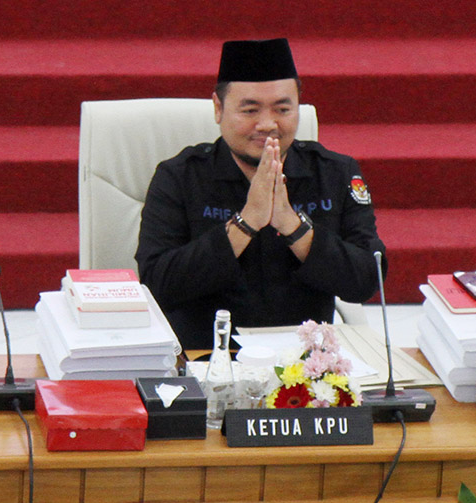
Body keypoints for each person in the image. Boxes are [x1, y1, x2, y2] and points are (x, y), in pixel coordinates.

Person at [136, 38, 385, 349]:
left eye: (283, 109)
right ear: (218, 108)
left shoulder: (335, 173)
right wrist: (247, 222)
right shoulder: (179, 176)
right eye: (250, 110)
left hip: (306, 364)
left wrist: (294, 227)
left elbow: (365, 281)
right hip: (205, 357)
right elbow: (157, 284)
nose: (268, 124)